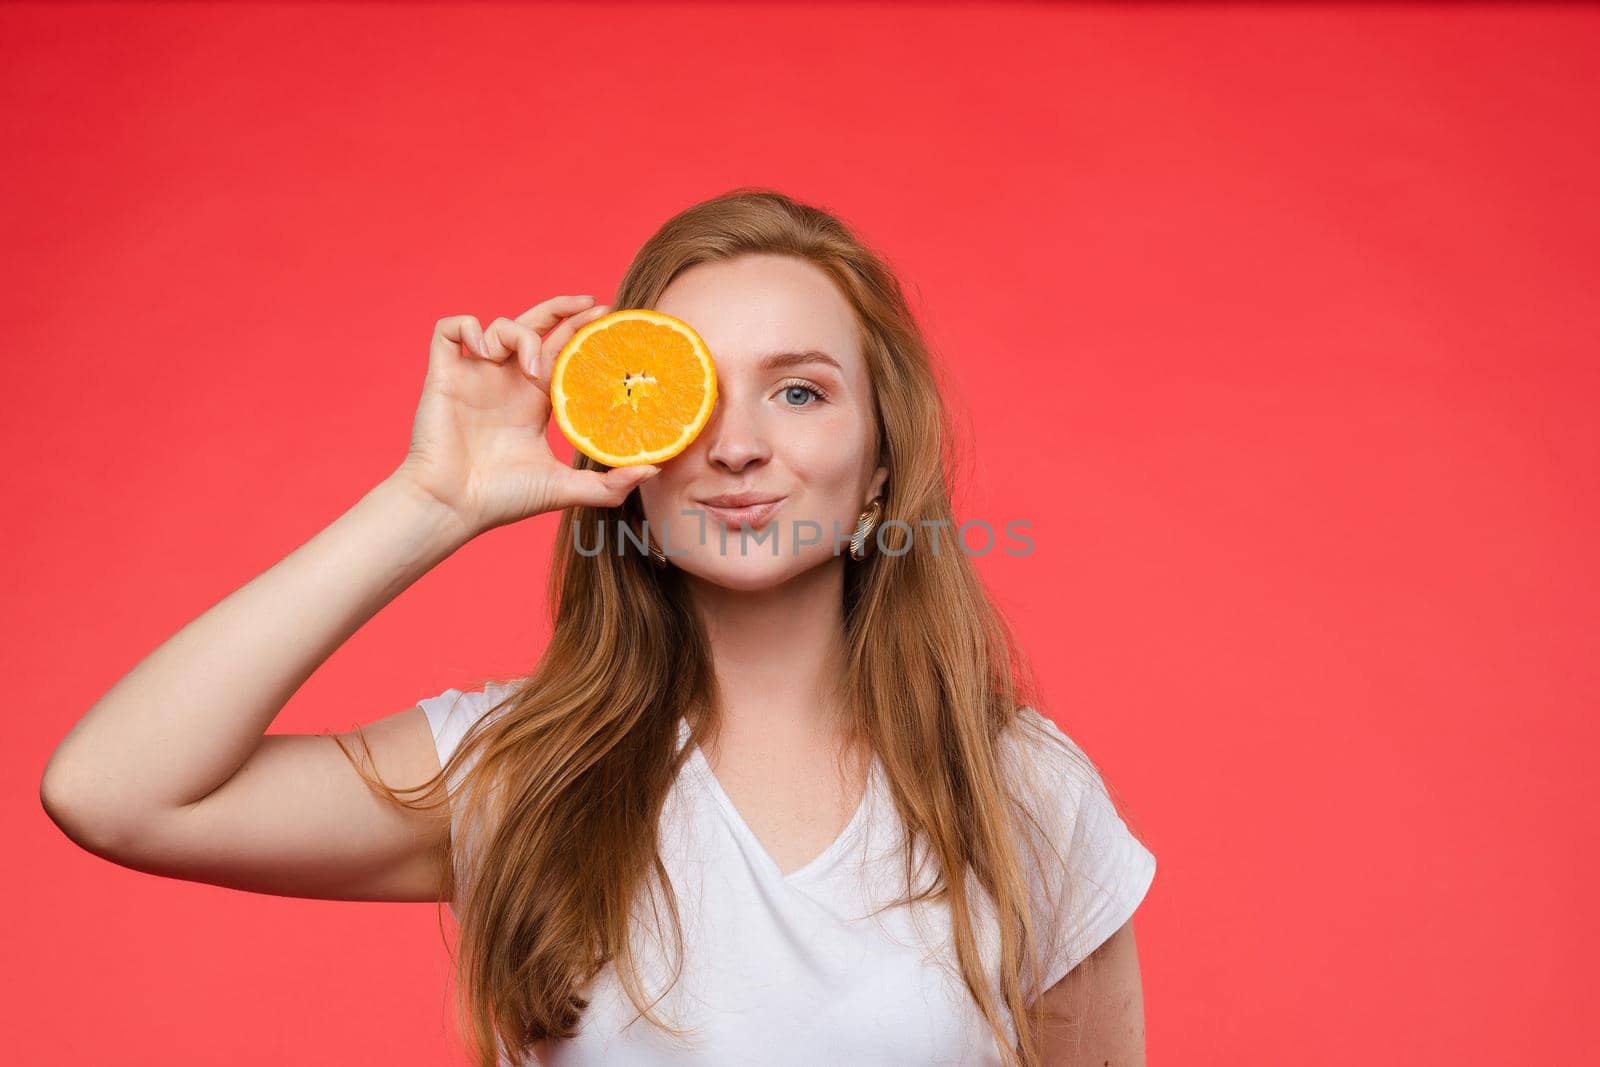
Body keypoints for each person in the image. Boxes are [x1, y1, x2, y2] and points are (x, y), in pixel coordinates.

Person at [40, 188, 1156, 1067]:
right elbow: (115, 791)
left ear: (877, 470)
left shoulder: (1018, 790)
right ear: (622, 444)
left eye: (800, 392)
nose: (734, 445)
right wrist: (430, 502)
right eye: (688, 389)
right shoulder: (521, 771)